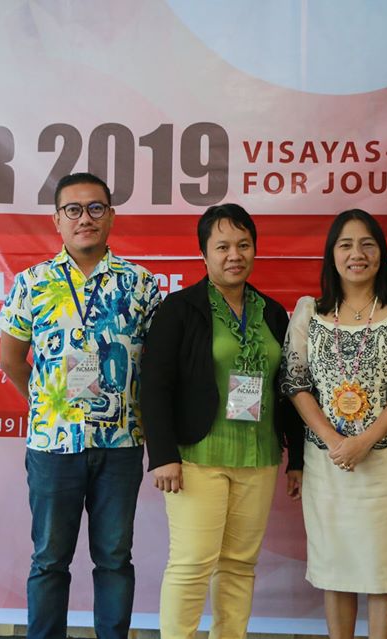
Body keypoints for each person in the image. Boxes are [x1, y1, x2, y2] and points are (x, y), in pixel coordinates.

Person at [0, 172, 161, 639]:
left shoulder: (140, 284)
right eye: (73, 209)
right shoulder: (32, 283)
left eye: (95, 208)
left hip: (120, 444)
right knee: (50, 559)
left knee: (114, 559)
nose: (84, 218)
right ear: (57, 220)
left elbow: (157, 366)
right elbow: (11, 360)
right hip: (53, 446)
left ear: (111, 216)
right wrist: (47, 405)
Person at [140, 203, 304, 639]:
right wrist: (163, 455)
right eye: (223, 246)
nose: (235, 255)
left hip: (259, 455)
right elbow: (154, 385)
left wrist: (297, 459)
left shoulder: (272, 312)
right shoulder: (180, 309)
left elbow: (288, 388)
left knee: (239, 565)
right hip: (197, 456)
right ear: (204, 254)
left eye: (243, 245)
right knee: (192, 563)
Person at [280, 209, 387, 639]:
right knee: (337, 567)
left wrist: (364, 441)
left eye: (367, 244)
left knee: (384, 568)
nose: (357, 254)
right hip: (328, 463)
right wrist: (336, 442)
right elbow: (295, 383)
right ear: (332, 255)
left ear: (381, 253)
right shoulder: (309, 313)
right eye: (346, 245)